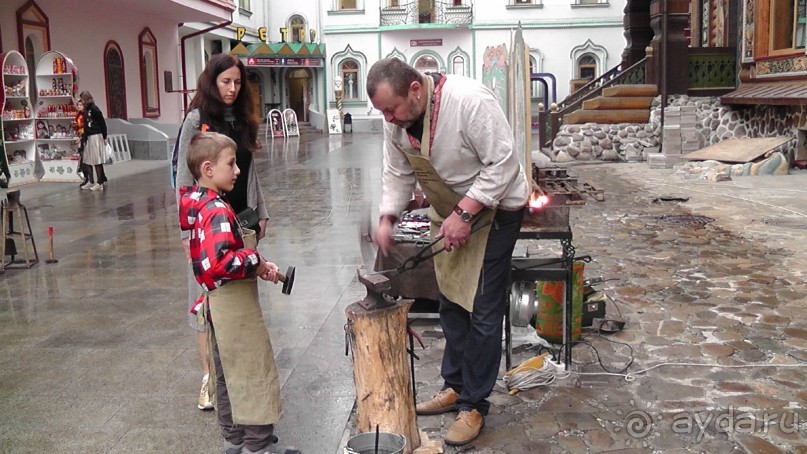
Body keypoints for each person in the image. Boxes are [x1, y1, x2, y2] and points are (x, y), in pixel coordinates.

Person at [367, 58, 530, 446]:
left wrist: (465, 213)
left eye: (392, 108)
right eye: (382, 112)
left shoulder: (469, 101)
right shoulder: (397, 124)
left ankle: (474, 404)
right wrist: (388, 216)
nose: (389, 118)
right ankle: (455, 386)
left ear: (416, 90)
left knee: (483, 307)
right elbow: (397, 173)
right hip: (449, 211)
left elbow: (504, 163)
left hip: (496, 210)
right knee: (452, 301)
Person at [174, 53, 269, 413]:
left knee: (239, 299)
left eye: (237, 82)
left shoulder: (243, 118)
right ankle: (209, 378)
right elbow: (183, 177)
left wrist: (263, 211)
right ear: (212, 82)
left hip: (242, 217)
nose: (231, 89)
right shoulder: (197, 119)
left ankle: (236, 375)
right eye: (225, 81)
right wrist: (186, 230)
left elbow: (250, 169)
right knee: (206, 304)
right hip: (206, 224)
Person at [179, 131, 282, 454]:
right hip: (233, 310)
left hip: (217, 307)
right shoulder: (217, 211)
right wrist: (254, 259)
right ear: (208, 169)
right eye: (231, 163)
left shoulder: (199, 205)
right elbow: (219, 263)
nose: (238, 170)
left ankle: (234, 439)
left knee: (226, 374)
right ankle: (257, 445)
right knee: (251, 370)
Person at [78, 91, 108, 191]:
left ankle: (99, 182)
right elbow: (86, 126)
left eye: (82, 99)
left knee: (96, 160)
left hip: (96, 135)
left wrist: (104, 136)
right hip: (89, 136)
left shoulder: (95, 109)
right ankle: (90, 181)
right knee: (87, 159)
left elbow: (102, 123)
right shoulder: (86, 111)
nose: (81, 101)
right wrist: (84, 138)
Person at [73, 99, 89, 187]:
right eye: (78, 105)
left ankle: (88, 178)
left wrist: (82, 137)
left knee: (85, 159)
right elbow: (78, 127)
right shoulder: (78, 115)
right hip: (80, 137)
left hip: (85, 138)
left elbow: (85, 127)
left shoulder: (85, 115)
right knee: (82, 158)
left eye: (80, 105)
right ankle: (86, 177)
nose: (79, 107)